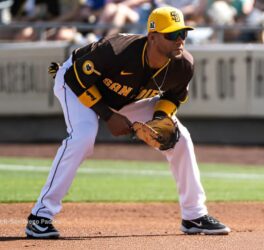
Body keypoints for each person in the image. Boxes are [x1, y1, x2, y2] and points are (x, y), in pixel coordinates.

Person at [24, 6, 231, 239]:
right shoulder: (116, 50)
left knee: (180, 139)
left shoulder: (183, 64)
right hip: (78, 84)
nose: (180, 40)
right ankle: (40, 216)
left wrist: (161, 119)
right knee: (83, 137)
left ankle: (194, 215)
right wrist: (109, 116)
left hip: (129, 97)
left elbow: (173, 96)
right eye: (172, 35)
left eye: (183, 33)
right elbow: (75, 78)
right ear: (152, 37)